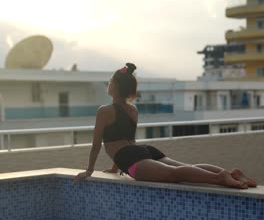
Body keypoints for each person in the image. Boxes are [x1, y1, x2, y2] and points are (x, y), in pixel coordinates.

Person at [74, 63, 257, 188]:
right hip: (143, 151)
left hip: (131, 159)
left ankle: (220, 178)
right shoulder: (133, 110)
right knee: (185, 166)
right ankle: (232, 173)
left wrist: (89, 170)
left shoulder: (104, 111)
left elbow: (98, 145)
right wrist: (115, 168)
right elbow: (127, 140)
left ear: (114, 86)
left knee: (175, 174)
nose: (108, 84)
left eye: (110, 82)